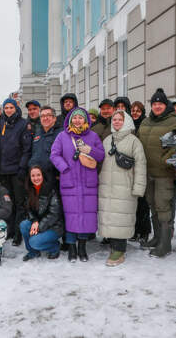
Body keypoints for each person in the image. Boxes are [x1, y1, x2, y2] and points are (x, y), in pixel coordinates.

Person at [50, 107, 105, 262]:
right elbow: (54, 155)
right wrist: (64, 168)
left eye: (81, 118)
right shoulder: (62, 136)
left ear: (86, 120)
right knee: (71, 216)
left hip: (88, 183)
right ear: (70, 120)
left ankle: (82, 247)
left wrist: (90, 150)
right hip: (70, 182)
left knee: (86, 216)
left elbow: (101, 155)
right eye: (75, 118)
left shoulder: (93, 136)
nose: (78, 120)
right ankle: (71, 248)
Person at [137, 88, 176, 257]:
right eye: (154, 103)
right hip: (147, 172)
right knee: (153, 205)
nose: (157, 106)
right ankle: (157, 238)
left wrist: (166, 159)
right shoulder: (145, 122)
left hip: (164, 173)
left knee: (163, 207)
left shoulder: (175, 122)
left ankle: (165, 244)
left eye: (160, 104)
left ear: (166, 105)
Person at [98, 111, 147, 266]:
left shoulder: (134, 141)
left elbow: (140, 165)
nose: (117, 122)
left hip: (125, 187)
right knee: (111, 217)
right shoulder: (107, 140)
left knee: (121, 218)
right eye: (115, 119)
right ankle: (113, 244)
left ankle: (119, 250)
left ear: (127, 122)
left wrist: (138, 188)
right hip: (107, 186)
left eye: (120, 119)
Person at [0, 98, 32, 245]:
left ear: (16, 109)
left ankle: (18, 233)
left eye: (11, 107)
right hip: (3, 171)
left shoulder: (23, 124)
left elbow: (27, 148)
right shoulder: (1, 123)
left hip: (17, 170)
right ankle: (9, 230)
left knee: (19, 203)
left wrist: (22, 168)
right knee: (7, 202)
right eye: (6, 108)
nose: (8, 110)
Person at [20, 166, 64, 261]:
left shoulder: (51, 190)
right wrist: (34, 221)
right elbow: (28, 210)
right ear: (30, 177)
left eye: (38, 175)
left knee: (34, 242)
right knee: (24, 225)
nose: (36, 178)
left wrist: (39, 227)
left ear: (43, 175)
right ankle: (33, 252)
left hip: (54, 227)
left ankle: (55, 247)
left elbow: (54, 214)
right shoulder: (29, 190)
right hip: (39, 223)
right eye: (33, 176)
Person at [130, 100, 150, 243]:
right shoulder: (129, 126)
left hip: (143, 167)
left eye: (138, 111)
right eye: (133, 110)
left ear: (142, 112)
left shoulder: (146, 125)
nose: (135, 113)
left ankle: (145, 231)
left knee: (144, 203)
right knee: (134, 202)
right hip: (131, 168)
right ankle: (136, 230)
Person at [28, 106, 62, 186]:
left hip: (53, 178)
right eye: (42, 116)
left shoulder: (61, 134)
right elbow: (34, 153)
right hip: (37, 177)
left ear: (54, 118)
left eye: (48, 115)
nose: (45, 118)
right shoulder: (38, 132)